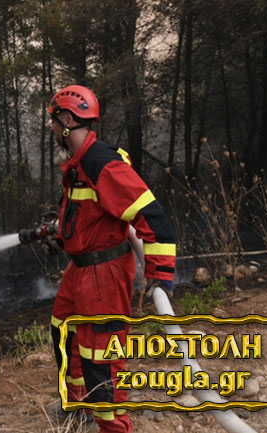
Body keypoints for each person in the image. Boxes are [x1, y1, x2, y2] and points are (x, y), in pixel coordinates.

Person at [45, 85, 176, 433]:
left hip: (104, 275)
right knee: (64, 332)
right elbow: (88, 215)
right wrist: (62, 235)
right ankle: (78, 404)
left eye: (54, 122)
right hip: (81, 269)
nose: (52, 129)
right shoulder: (78, 163)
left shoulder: (101, 163)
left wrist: (160, 277)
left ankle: (114, 428)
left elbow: (155, 221)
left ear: (69, 120)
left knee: (100, 358)